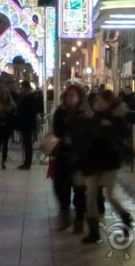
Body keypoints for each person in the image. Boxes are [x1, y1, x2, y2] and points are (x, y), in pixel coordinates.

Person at [79, 90, 132, 244]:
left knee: (110, 195)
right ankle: (94, 232)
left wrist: (109, 126)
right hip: (92, 161)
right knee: (91, 195)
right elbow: (88, 133)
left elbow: (123, 133)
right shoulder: (94, 116)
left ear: (109, 102)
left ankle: (125, 217)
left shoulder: (118, 117)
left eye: (102, 100)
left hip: (109, 161)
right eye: (97, 100)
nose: (99, 103)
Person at [51, 84, 92, 232]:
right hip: (63, 154)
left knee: (79, 188)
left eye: (72, 95)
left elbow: (89, 134)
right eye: (67, 95)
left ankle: (79, 219)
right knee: (59, 185)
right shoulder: (60, 112)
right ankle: (65, 211)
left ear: (79, 97)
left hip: (80, 156)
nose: (69, 98)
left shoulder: (85, 113)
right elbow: (57, 131)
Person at [14, 81, 38, 170]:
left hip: (27, 123)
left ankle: (27, 163)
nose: (21, 89)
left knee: (28, 143)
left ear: (26, 87)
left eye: (22, 87)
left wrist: (21, 113)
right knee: (26, 143)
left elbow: (31, 110)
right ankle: (26, 162)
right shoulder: (27, 96)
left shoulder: (30, 97)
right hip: (26, 123)